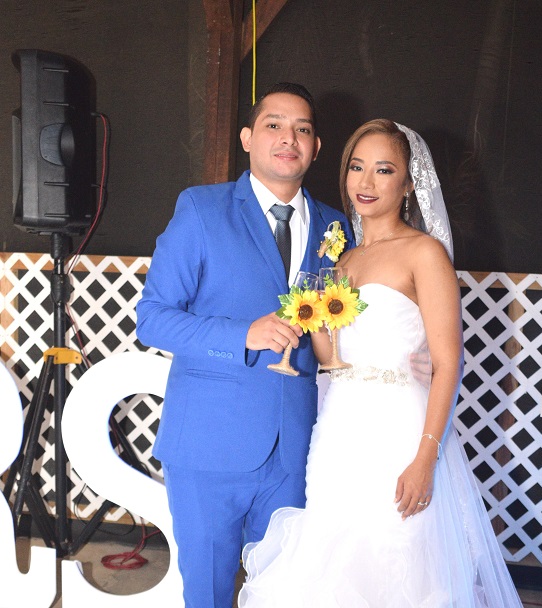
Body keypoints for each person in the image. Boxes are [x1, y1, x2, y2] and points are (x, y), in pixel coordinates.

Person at [238, 119, 524, 607]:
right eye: (357, 167)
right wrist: (312, 316)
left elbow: (448, 362)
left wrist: (425, 458)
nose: (366, 182)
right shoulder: (343, 261)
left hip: (398, 432)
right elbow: (332, 362)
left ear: (409, 183)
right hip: (338, 432)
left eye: (384, 170)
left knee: (400, 566)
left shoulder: (424, 253)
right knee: (334, 570)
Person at [136, 82, 352, 608]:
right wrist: (241, 335)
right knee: (209, 595)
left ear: (316, 147)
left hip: (297, 451)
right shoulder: (201, 209)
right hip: (209, 446)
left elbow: (347, 323)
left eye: (302, 129)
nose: (288, 138)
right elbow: (152, 320)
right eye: (274, 125)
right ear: (247, 138)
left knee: (284, 594)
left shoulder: (337, 226)